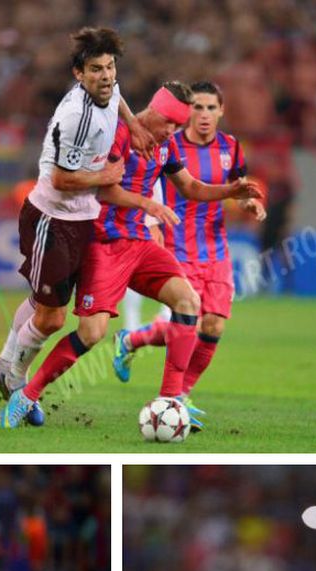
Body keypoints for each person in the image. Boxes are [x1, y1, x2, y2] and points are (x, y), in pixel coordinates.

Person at [0, 82, 263, 429]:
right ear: (154, 110)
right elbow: (104, 189)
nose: (171, 132)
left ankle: (170, 398)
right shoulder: (117, 136)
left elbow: (191, 187)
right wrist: (148, 204)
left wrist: (231, 190)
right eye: (168, 122)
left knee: (187, 302)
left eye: (176, 126)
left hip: (140, 242)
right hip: (105, 243)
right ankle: (27, 394)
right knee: (92, 334)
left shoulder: (166, 146)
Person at [0, 27, 158, 414]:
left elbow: (119, 98)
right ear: (79, 73)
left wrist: (134, 123)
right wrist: (105, 177)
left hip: (82, 219)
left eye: (111, 67)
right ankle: (14, 377)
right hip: (52, 217)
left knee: (43, 302)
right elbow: (62, 179)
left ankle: (2, 365)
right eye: (96, 69)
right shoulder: (76, 115)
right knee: (52, 317)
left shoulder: (108, 91)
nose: (107, 76)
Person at [115, 81, 267, 416]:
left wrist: (249, 205)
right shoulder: (168, 144)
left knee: (213, 326)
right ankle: (173, 396)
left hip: (215, 248)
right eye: (197, 107)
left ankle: (152, 363)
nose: (204, 115)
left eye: (211, 108)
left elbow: (236, 191)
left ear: (221, 111)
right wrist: (152, 224)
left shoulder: (231, 147)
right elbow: (151, 184)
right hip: (177, 244)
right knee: (188, 322)